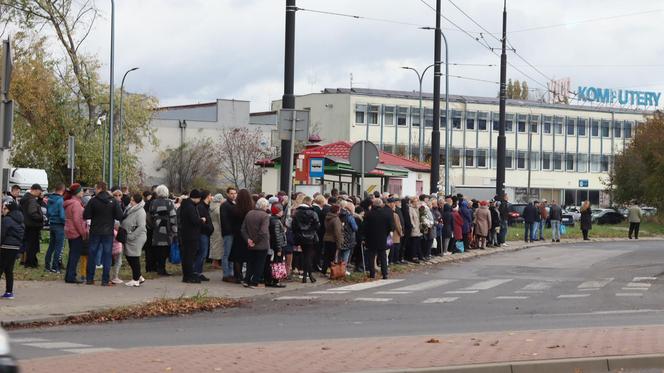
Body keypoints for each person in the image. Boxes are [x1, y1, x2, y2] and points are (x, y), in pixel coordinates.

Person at [84, 182, 123, 286]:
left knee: (92, 254)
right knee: (107, 256)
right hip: (108, 232)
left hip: (95, 231)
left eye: (95, 188)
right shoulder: (113, 201)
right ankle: (105, 280)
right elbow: (119, 216)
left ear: (100, 188)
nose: (94, 190)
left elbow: (86, 215)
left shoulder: (93, 201)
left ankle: (89, 279)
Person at [241, 198, 271, 288]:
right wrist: (254, 241)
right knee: (259, 264)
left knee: (250, 263)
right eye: (266, 206)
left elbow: (243, 229)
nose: (267, 207)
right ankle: (255, 282)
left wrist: (248, 240)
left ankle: (246, 280)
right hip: (261, 244)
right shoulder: (265, 215)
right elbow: (263, 232)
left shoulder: (249, 213)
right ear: (263, 206)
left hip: (250, 243)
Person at [149, 185, 178, 276]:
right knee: (165, 249)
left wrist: (154, 224)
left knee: (158, 249)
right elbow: (173, 217)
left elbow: (150, 215)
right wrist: (175, 230)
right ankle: (162, 268)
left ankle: (158, 268)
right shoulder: (169, 203)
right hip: (167, 228)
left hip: (157, 228)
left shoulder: (153, 202)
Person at [363, 198, 394, 279]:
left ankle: (372, 273)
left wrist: (365, 236)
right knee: (383, 256)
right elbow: (391, 227)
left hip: (371, 238)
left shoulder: (368, 214)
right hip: (382, 238)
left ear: (373, 205)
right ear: (381, 205)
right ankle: (385, 274)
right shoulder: (386, 214)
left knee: (371, 256)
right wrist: (385, 233)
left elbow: (364, 227)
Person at [291, 196, 320, 283]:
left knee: (304, 255)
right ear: (309, 202)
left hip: (299, 236)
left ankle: (307, 275)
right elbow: (317, 225)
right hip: (310, 237)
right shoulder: (312, 213)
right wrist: (312, 230)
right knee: (308, 256)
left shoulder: (296, 212)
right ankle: (307, 275)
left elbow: (293, 225)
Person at [178, 190, 204, 283]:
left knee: (186, 256)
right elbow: (194, 220)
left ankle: (187, 274)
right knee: (189, 256)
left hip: (186, 234)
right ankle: (188, 276)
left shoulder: (185, 205)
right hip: (191, 235)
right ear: (197, 198)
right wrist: (201, 220)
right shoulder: (190, 207)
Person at [121, 193, 147, 287]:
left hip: (136, 238)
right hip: (130, 236)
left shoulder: (140, 212)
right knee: (129, 256)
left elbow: (141, 226)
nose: (130, 202)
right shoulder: (132, 209)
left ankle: (135, 279)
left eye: (132, 200)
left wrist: (132, 236)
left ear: (137, 202)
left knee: (134, 257)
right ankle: (139, 276)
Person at [64, 183, 88, 284]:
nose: (83, 192)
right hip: (76, 231)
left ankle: (69, 275)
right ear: (77, 192)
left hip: (69, 230)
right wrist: (83, 233)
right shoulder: (76, 204)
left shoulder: (70, 202)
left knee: (72, 253)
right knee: (75, 255)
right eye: (81, 190)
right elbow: (77, 221)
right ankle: (71, 276)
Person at [1, 199, 24, 299]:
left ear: (9, 209)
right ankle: (9, 292)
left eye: (4, 208)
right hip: (15, 247)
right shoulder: (20, 220)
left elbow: (2, 234)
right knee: (9, 270)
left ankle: (9, 292)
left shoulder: (6, 220)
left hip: (5, 246)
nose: (3, 210)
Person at [230, 189, 254, 284]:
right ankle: (248, 276)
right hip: (248, 234)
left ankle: (238, 276)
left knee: (237, 257)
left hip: (237, 234)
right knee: (248, 257)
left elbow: (232, 222)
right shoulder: (251, 208)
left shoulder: (235, 209)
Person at [20, 184, 44, 268]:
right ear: (36, 190)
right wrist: (41, 218)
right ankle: (31, 263)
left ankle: (30, 261)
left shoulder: (26, 198)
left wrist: (40, 199)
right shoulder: (31, 200)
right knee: (32, 246)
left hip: (27, 224)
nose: (40, 193)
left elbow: (35, 207)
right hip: (33, 225)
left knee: (29, 244)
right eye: (39, 191)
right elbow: (32, 212)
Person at [44, 183, 66, 273]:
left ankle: (47, 266)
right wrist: (66, 222)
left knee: (51, 246)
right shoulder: (61, 200)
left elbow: (48, 213)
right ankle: (55, 267)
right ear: (63, 190)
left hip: (52, 224)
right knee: (58, 247)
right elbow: (62, 215)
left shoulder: (50, 199)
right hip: (59, 225)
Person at [266, 203, 287, 288]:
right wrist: (279, 249)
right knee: (277, 263)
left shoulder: (271, 219)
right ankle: (276, 281)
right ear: (278, 212)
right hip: (277, 246)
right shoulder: (276, 221)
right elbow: (277, 236)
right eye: (281, 211)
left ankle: (271, 280)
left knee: (273, 263)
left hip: (272, 246)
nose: (282, 212)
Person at [195, 190, 214, 282]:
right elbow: (202, 221)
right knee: (202, 253)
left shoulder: (205, 207)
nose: (211, 197)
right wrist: (208, 228)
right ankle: (197, 272)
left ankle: (199, 272)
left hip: (205, 233)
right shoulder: (201, 207)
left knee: (203, 253)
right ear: (207, 196)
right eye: (210, 195)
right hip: (203, 233)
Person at [220, 187, 238, 282]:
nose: (233, 195)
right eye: (231, 193)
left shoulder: (234, 204)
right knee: (226, 254)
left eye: (235, 193)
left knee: (231, 254)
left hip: (234, 233)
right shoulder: (225, 205)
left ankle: (230, 273)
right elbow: (224, 221)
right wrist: (229, 231)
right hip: (228, 233)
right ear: (227, 194)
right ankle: (226, 274)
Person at [322, 204, 343, 275]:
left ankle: (324, 270)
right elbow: (337, 232)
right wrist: (339, 243)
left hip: (326, 238)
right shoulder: (336, 219)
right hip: (333, 240)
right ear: (337, 211)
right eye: (339, 210)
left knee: (326, 256)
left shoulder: (327, 217)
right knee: (333, 257)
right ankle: (333, 271)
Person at [209, 193, 224, 269]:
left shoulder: (211, 206)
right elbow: (220, 220)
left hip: (213, 227)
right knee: (217, 246)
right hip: (218, 228)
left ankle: (214, 262)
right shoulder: (218, 209)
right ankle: (215, 263)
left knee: (213, 245)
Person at [387, 198, 403, 264]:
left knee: (390, 247)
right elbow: (398, 225)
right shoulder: (395, 215)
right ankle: (394, 260)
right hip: (395, 234)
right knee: (395, 248)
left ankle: (390, 260)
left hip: (389, 234)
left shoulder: (387, 213)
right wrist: (401, 233)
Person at [408, 197, 422, 262]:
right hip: (414, 229)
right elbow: (411, 219)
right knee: (414, 243)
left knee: (417, 243)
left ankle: (418, 255)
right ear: (412, 202)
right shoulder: (410, 209)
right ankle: (413, 257)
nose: (417, 203)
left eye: (417, 201)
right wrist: (413, 226)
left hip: (418, 228)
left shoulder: (417, 208)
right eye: (416, 201)